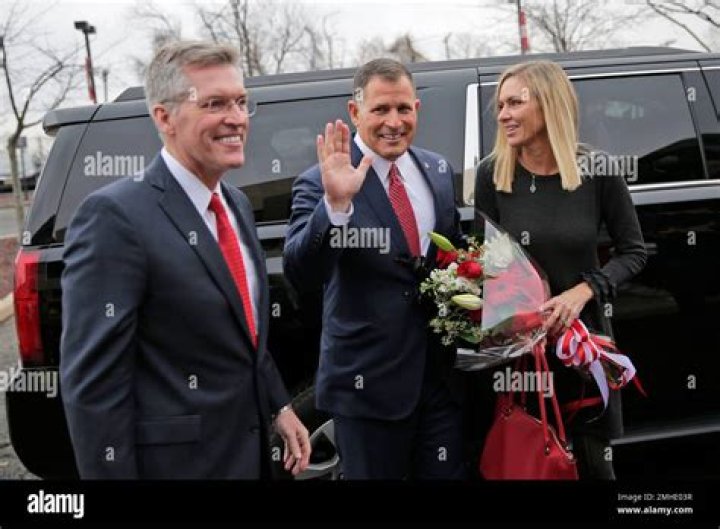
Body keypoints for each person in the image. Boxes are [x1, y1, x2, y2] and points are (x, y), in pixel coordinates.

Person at [60, 41, 310, 479]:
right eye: (214, 104)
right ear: (164, 117)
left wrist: (279, 406)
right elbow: (94, 389)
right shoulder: (114, 217)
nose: (236, 118)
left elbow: (246, 338)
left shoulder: (235, 203)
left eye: (241, 102)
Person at [283, 58, 465, 479]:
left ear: (417, 108)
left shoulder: (436, 170)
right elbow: (300, 273)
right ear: (355, 112)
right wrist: (336, 207)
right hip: (366, 388)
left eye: (403, 108)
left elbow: (452, 254)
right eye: (380, 109)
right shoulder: (321, 180)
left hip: (440, 384)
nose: (394, 122)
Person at [473, 60, 647, 479]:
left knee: (594, 465)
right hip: (522, 357)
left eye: (515, 103)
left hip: (583, 349)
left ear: (549, 104)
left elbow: (633, 252)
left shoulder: (598, 170)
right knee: (531, 466)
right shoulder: (492, 175)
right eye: (500, 105)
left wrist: (582, 291)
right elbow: (488, 265)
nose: (503, 114)